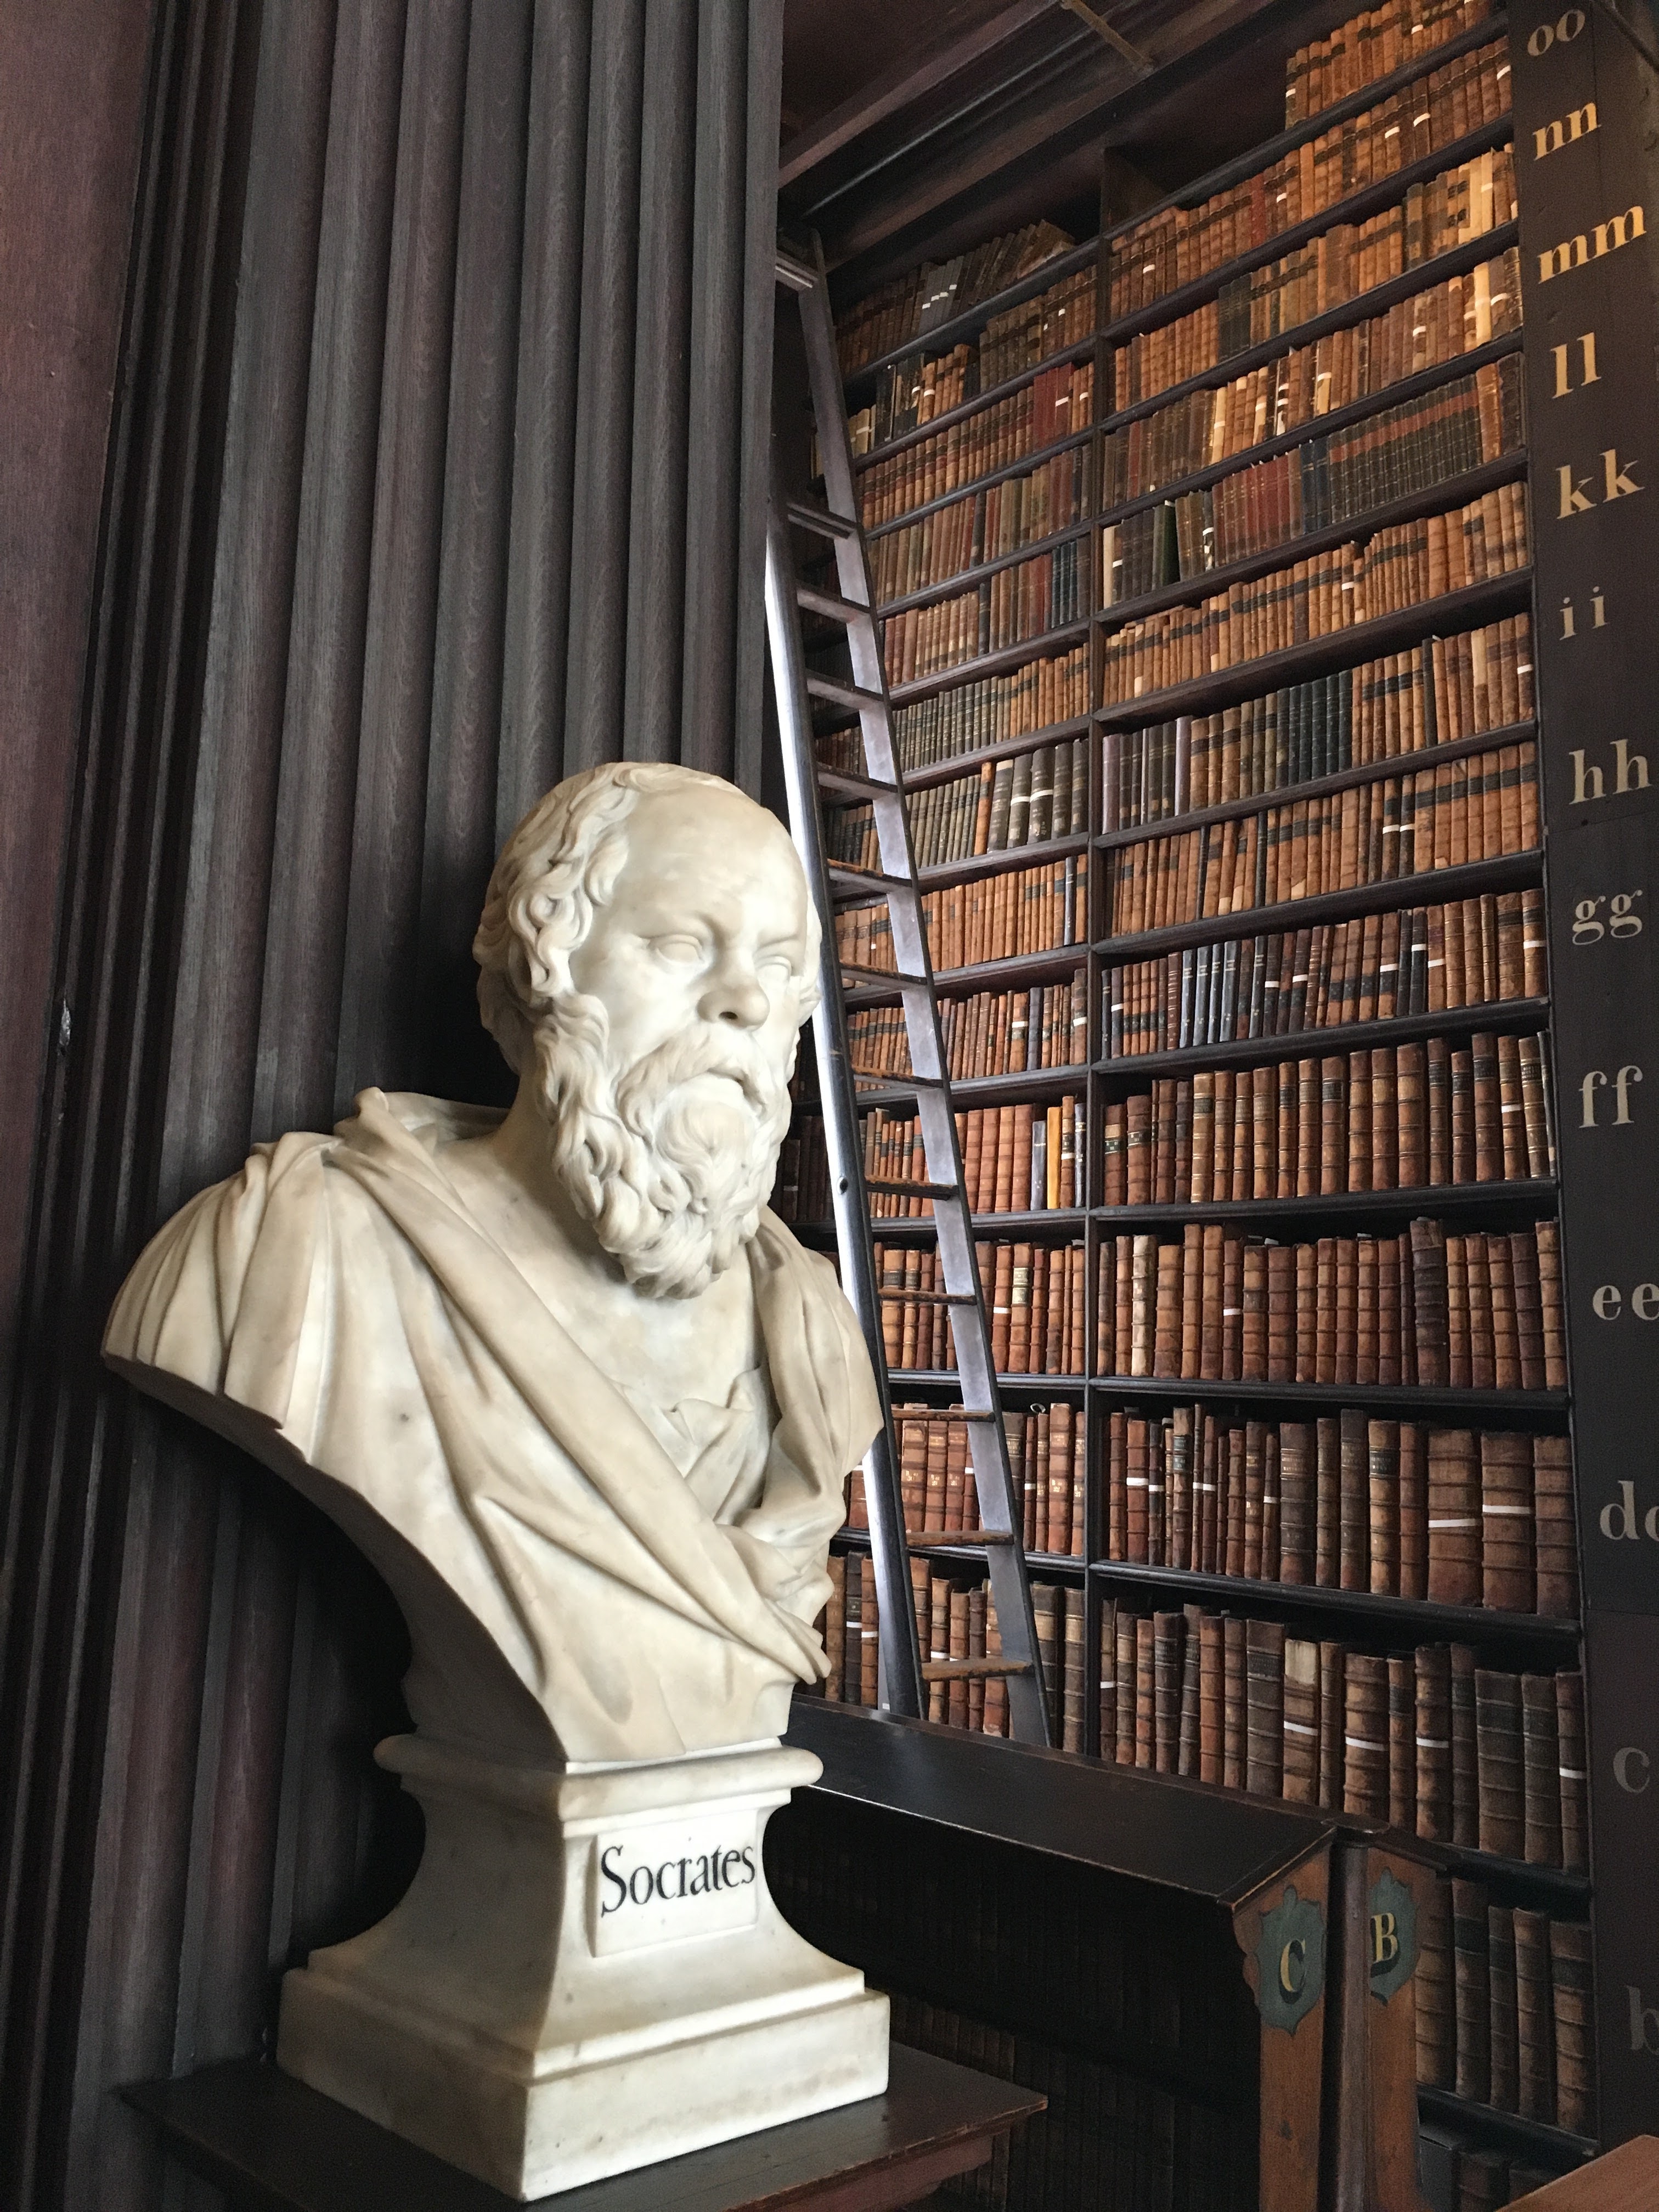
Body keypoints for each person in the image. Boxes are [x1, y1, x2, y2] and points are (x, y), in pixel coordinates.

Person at [105, 762, 879, 1764]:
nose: (741, 1002)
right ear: (542, 967)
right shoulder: (297, 1255)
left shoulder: (811, 1326)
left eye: (777, 968)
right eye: (683, 945)